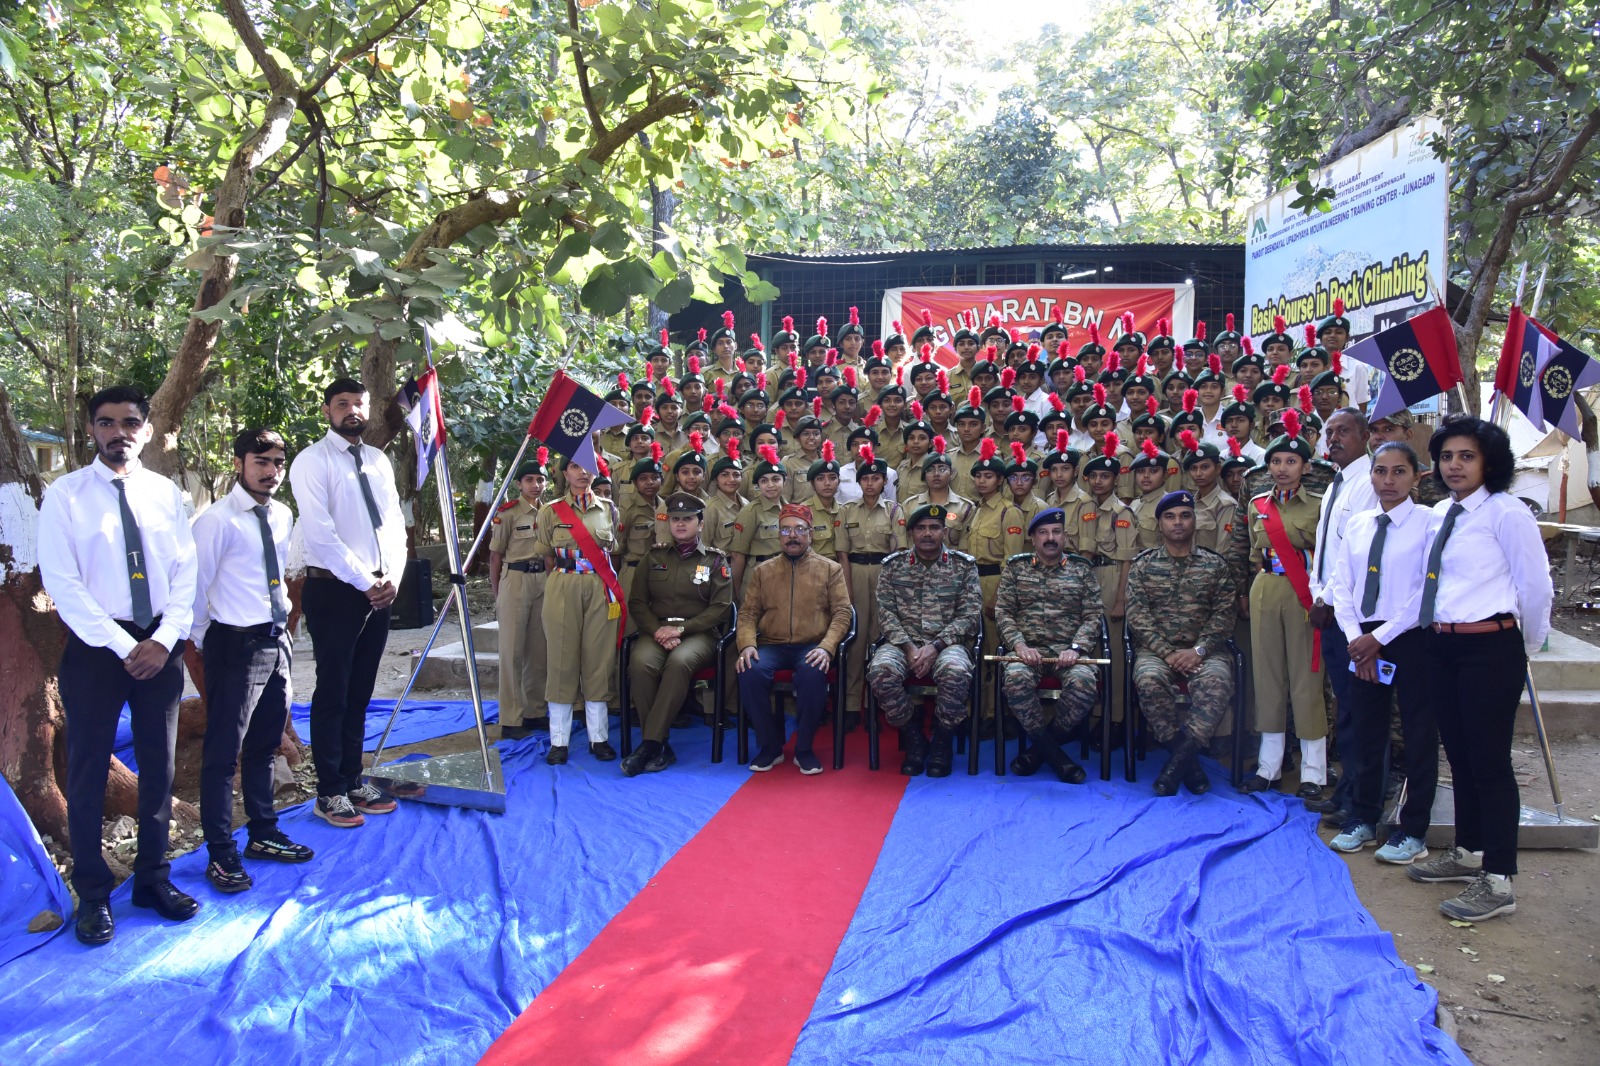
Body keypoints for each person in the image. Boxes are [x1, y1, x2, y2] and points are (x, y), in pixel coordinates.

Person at [39, 385, 200, 944]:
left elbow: (185, 572)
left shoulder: (166, 494)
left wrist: (164, 638)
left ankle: (153, 880)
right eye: (105, 423)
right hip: (96, 649)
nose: (118, 433)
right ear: (91, 431)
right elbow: (62, 582)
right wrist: (121, 644)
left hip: (161, 645)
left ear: (147, 431)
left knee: (159, 766)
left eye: (130, 422)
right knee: (86, 771)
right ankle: (93, 892)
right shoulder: (65, 496)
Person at [1404, 418, 1552, 921]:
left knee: (1489, 762)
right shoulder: (1440, 513)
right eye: (1447, 456)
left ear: (1490, 462)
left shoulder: (1507, 513)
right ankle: (1468, 852)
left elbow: (1536, 585)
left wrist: (1523, 645)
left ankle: (1499, 879)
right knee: (1460, 757)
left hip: (1490, 646)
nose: (1454, 466)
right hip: (1442, 645)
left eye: (1466, 456)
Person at [189, 428, 315, 895]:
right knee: (224, 754)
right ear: (239, 463)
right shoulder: (215, 522)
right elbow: (195, 590)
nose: (271, 471)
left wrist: (280, 632)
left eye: (278, 462)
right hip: (234, 644)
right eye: (261, 461)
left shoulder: (282, 515)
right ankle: (220, 851)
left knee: (265, 745)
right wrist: (210, 640)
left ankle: (263, 832)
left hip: (275, 641)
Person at [289, 378, 406, 828]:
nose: (352, 410)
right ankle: (330, 791)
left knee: (360, 691)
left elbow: (394, 525)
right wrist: (365, 581)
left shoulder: (377, 460)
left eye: (359, 403)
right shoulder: (311, 461)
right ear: (327, 411)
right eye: (342, 404)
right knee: (333, 691)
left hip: (380, 591)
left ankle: (354, 779)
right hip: (335, 590)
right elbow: (320, 534)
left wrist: (391, 578)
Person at [1321, 442, 1438, 859]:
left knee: (1419, 734)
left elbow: (1426, 589)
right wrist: (1358, 640)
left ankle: (1413, 831)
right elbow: (1342, 585)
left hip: (1409, 636)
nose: (1388, 481)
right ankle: (1363, 818)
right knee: (1367, 731)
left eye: (1399, 471)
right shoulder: (1359, 524)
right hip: (1362, 641)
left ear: (1416, 476)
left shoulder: (1428, 523)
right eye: (1380, 471)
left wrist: (1379, 639)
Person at [1230, 410, 1328, 797]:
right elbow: (1251, 554)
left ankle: (1313, 772)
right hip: (1266, 587)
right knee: (1267, 677)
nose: (1282, 468)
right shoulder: (1257, 503)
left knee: (1307, 679)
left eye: (1291, 461)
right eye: (1275, 461)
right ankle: (1268, 767)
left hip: (1304, 591)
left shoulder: (1320, 504)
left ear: (1305, 466)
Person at [1126, 491, 1237, 796]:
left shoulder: (1215, 565)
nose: (1178, 522)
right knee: (1148, 680)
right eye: (1170, 517)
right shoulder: (1143, 565)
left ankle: (1176, 765)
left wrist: (1199, 650)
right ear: (1159, 524)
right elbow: (1138, 617)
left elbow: (1224, 615)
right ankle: (1187, 762)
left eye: (1185, 516)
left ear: (1194, 521)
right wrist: (1167, 653)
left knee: (1217, 681)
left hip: (1205, 650)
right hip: (1157, 651)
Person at [735, 504, 854, 774]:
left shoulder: (830, 569)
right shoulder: (763, 571)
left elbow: (843, 613)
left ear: (810, 534)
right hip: (772, 645)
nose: (792, 536)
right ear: (778, 535)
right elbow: (748, 613)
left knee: (813, 673)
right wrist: (748, 645)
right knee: (749, 669)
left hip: (812, 645)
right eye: (786, 530)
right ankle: (770, 746)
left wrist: (827, 648)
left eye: (799, 529)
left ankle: (804, 748)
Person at [867, 505, 983, 777]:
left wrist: (935, 646)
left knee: (956, 671)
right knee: (880, 671)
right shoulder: (894, 566)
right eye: (921, 528)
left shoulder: (963, 566)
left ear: (944, 531)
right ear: (911, 534)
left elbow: (969, 616)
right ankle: (914, 738)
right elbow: (885, 614)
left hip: (947, 644)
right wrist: (909, 647)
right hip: (902, 643)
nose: (927, 533)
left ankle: (942, 740)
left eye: (934, 528)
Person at [623, 493, 734, 775]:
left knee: (679, 662)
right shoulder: (654, 556)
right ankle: (659, 744)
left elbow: (721, 608)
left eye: (687, 519)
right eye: (675, 519)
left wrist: (681, 629)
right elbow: (637, 602)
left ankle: (650, 744)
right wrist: (658, 630)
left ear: (700, 523)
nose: (680, 524)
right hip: (657, 631)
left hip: (699, 633)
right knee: (640, 663)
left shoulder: (715, 560)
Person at [993, 509, 1098, 784]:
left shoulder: (1082, 570)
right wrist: (1019, 645)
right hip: (1028, 651)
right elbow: (1003, 612)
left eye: (1056, 532)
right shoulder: (1016, 568)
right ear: (1033, 538)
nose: (1050, 538)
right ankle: (1056, 756)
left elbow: (1093, 616)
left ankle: (1039, 751)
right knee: (1015, 679)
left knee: (1085, 683)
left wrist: (1076, 648)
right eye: (1043, 532)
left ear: (1065, 536)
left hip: (1069, 653)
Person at [1306, 409, 1376, 812]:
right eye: (1329, 432)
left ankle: (1361, 798)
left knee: (1359, 708)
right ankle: (1349, 790)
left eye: (1343, 431)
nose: (1333, 439)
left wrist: (1327, 598)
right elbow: (1325, 551)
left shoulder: (1368, 483)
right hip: (1330, 609)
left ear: (1364, 436)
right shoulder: (1337, 482)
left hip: (1352, 615)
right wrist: (1319, 594)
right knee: (1346, 707)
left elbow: (1353, 552)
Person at [532, 456, 623, 765]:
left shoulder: (609, 509)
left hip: (599, 587)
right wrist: (561, 584)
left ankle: (599, 738)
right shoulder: (550, 511)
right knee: (561, 661)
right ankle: (559, 742)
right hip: (563, 584)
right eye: (575, 466)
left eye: (588, 466)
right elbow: (547, 555)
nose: (583, 472)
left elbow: (611, 553)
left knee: (599, 660)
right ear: (564, 473)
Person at [837, 445, 904, 721]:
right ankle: (852, 704)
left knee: (880, 636)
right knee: (855, 640)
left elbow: (898, 553)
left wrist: (892, 590)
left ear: (884, 481)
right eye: (865, 478)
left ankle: (876, 702)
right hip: (854, 572)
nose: (870, 483)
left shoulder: (894, 510)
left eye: (876, 478)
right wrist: (847, 590)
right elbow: (842, 553)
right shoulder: (846, 511)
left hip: (883, 574)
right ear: (859, 481)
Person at [488, 456, 550, 740]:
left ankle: (535, 711)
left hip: (543, 580)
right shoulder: (508, 513)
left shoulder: (549, 512)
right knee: (512, 652)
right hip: (515, 580)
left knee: (538, 650)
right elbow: (495, 556)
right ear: (519, 484)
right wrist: (498, 593)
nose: (535, 485)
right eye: (529, 480)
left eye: (540, 480)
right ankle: (511, 719)